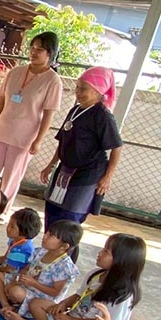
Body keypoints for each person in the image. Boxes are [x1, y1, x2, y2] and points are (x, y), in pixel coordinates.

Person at [0, 32, 63, 209]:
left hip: (24, 139)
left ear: (50, 53)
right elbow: (1, 100)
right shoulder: (15, 72)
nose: (33, 52)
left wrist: (38, 140)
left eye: (39, 50)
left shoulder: (53, 80)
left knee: (11, 178)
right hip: (2, 131)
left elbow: (48, 114)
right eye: (32, 48)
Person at [40, 66, 123, 257]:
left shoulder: (103, 116)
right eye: (77, 87)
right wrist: (51, 164)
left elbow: (116, 147)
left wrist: (107, 177)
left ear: (98, 91)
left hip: (87, 175)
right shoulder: (76, 110)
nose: (77, 92)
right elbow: (63, 140)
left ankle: (64, 262)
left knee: (70, 220)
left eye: (83, 88)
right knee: (52, 212)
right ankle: (46, 258)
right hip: (64, 172)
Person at [4, 233, 146, 320]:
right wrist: (63, 304)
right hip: (71, 317)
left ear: (121, 261)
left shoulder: (124, 295)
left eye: (106, 252)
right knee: (37, 303)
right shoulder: (95, 274)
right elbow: (78, 295)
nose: (100, 253)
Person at [0, 220, 82, 318]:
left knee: (15, 292)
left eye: (50, 235)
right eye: (46, 232)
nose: (44, 236)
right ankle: (5, 304)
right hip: (25, 286)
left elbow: (55, 292)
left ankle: (16, 304)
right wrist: (15, 281)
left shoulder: (64, 267)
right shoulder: (40, 252)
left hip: (40, 297)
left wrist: (34, 283)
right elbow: (26, 269)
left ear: (64, 246)